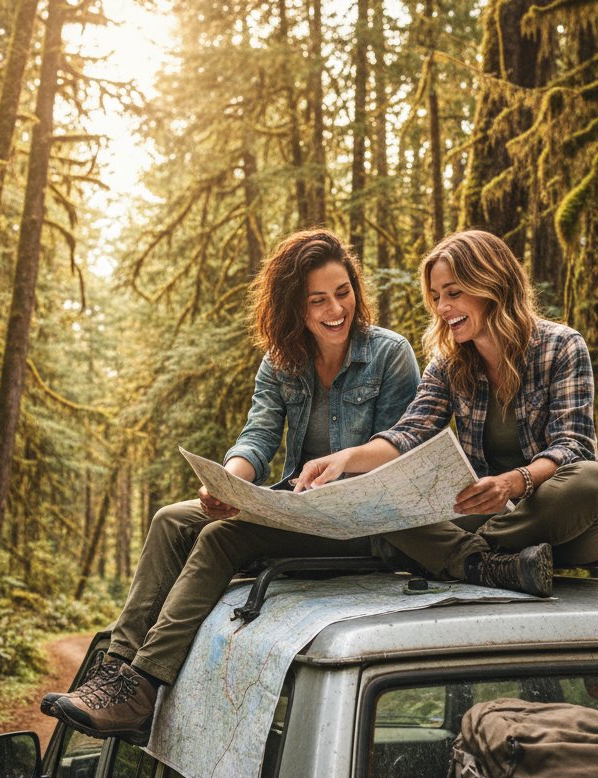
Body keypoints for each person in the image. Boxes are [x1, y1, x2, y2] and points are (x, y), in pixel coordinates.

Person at [41, 229, 421, 741]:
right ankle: (115, 670)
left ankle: (143, 688)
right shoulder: (282, 361)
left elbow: (399, 448)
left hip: (361, 522)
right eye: (318, 300)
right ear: (294, 307)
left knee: (223, 537)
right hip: (296, 510)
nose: (336, 309)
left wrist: (341, 468)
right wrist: (228, 483)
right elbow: (258, 436)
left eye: (343, 292)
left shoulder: (390, 354)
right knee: (172, 519)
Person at [295, 228, 598, 598]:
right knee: (380, 497)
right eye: (436, 297)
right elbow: (408, 435)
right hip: (487, 514)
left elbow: (573, 446)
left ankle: (460, 558)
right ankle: (488, 565)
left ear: (491, 285)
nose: (441, 308)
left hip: (562, 523)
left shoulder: (561, 345)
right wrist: (345, 459)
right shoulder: (448, 364)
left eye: (453, 293)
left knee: (595, 481)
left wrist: (512, 483)